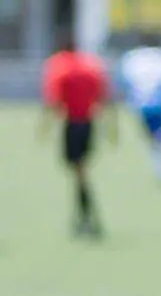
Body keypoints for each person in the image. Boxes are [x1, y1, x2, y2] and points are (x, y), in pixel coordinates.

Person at [38, 30, 116, 239]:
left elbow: (53, 99)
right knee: (79, 169)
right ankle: (84, 216)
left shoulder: (59, 66)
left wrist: (44, 125)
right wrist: (111, 126)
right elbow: (103, 96)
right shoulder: (89, 65)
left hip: (73, 123)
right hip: (87, 122)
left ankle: (87, 216)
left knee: (78, 171)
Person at [117, 32, 161, 184]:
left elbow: (125, 80)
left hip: (141, 103)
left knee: (150, 135)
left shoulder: (132, 57)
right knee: (160, 133)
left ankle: (159, 157)